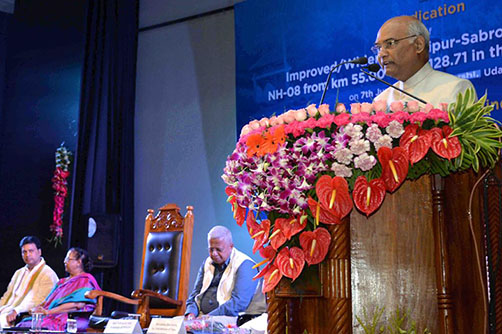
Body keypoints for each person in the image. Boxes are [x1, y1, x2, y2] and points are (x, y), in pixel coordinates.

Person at [373, 16, 475, 107]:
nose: (381, 54)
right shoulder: (380, 101)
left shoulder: (455, 89)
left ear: (418, 45)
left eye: (390, 43)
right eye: (378, 47)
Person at [185, 226, 266, 319]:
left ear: (231, 247)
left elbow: (238, 304)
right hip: (203, 318)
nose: (214, 253)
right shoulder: (207, 263)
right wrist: (190, 313)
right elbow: (195, 295)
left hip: (235, 319)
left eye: (218, 249)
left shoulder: (245, 265)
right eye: (211, 249)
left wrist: (208, 318)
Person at [17, 247, 101, 331]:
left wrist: (48, 312)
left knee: (39, 326)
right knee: (22, 325)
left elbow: (77, 305)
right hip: (51, 315)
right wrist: (37, 309)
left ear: (78, 262)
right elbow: (47, 302)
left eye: (68, 259)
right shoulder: (61, 282)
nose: (65, 261)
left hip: (70, 317)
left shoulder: (85, 280)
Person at [0, 236, 58, 328]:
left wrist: (16, 310)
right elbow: (7, 296)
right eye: (24, 252)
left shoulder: (48, 274)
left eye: (31, 251)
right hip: (7, 311)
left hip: (24, 316)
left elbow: (38, 301)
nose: (27, 255)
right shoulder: (19, 272)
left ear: (39, 252)